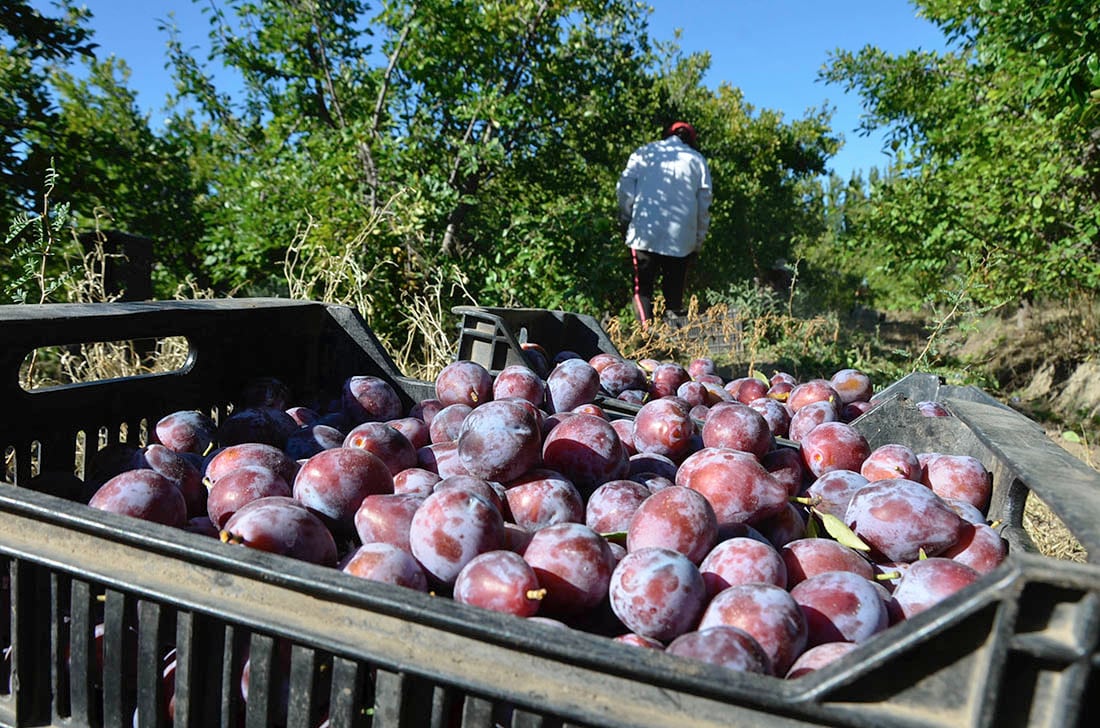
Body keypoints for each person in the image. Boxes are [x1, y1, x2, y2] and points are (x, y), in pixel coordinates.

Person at [616, 120, 712, 328]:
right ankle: (673, 343)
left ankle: (645, 337)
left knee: (642, 290)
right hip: (681, 239)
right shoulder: (697, 160)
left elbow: (625, 188)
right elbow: (704, 205)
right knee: (674, 295)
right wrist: (698, 241)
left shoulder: (644, 153)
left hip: (644, 233)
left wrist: (625, 219)